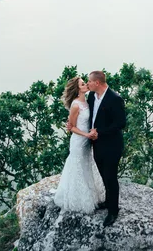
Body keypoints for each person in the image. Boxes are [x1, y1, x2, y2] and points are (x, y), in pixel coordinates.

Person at [69, 70, 126, 227]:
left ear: (97, 83)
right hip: (96, 144)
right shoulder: (92, 97)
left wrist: (99, 132)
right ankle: (108, 202)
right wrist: (74, 126)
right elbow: (88, 116)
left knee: (111, 177)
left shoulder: (115, 99)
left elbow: (120, 123)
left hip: (112, 146)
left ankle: (113, 211)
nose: (88, 84)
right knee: (103, 175)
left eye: (89, 82)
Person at [54, 77, 105, 213]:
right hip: (79, 141)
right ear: (77, 90)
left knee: (86, 166)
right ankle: (78, 198)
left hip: (87, 141)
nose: (86, 84)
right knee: (77, 167)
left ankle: (91, 194)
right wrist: (87, 135)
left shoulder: (88, 101)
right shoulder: (76, 105)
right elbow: (72, 128)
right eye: (83, 84)